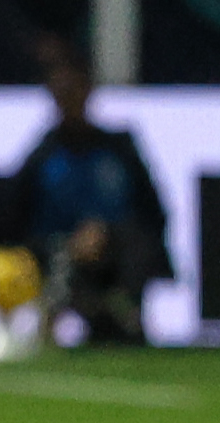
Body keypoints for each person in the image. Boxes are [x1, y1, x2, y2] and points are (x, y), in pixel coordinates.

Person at [9, 49, 173, 344]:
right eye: (62, 92)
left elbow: (153, 212)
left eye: (74, 89)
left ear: (88, 90)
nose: (69, 99)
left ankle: (126, 311)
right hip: (58, 249)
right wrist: (69, 242)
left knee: (136, 245)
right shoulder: (42, 156)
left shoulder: (119, 148)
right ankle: (50, 323)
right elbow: (18, 220)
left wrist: (106, 232)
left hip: (117, 250)